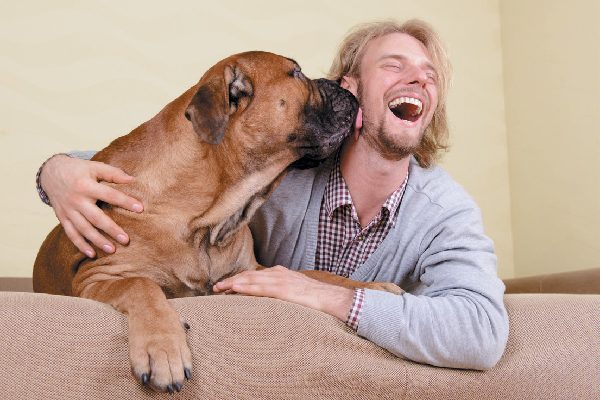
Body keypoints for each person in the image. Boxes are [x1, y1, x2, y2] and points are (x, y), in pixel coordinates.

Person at [36, 19, 509, 370]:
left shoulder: (446, 211)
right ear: (349, 90)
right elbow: (149, 165)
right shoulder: (268, 171)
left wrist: (331, 296)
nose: (420, 78)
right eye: (394, 65)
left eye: (430, 74)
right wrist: (54, 171)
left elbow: (483, 332)